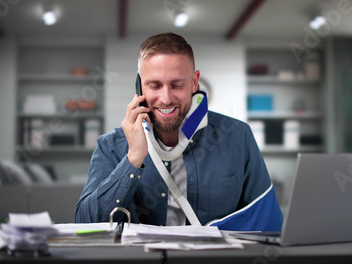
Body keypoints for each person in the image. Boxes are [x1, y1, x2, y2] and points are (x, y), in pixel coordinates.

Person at [75, 32, 283, 231]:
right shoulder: (111, 146)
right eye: (154, 85)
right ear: (139, 85)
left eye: (176, 85)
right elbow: (87, 223)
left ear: (194, 82)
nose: (165, 98)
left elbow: (267, 221)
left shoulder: (238, 136)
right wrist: (134, 158)